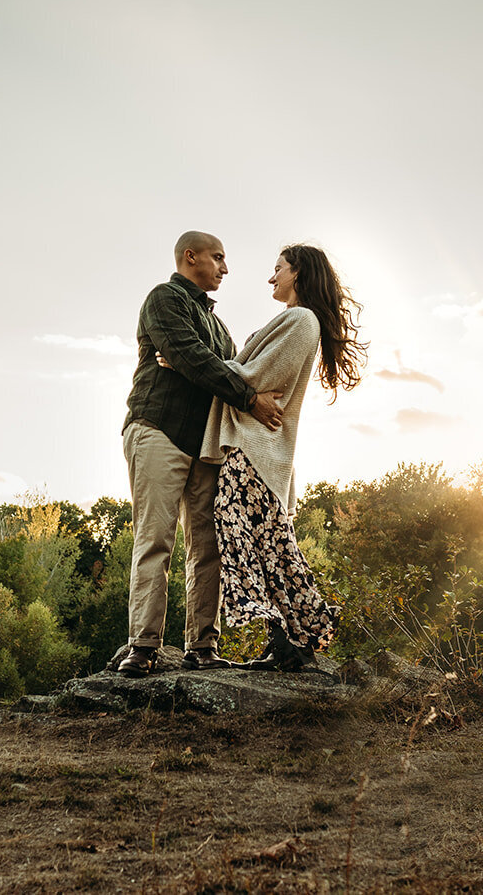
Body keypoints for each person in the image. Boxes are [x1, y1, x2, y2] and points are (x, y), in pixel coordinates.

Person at [117, 231, 285, 678]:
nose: (225, 269)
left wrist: (219, 372)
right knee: (156, 539)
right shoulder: (163, 299)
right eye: (218, 258)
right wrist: (247, 397)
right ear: (190, 257)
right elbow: (190, 357)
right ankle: (144, 645)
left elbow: (229, 365)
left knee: (207, 546)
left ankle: (202, 646)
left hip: (206, 446)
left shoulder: (219, 325)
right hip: (158, 429)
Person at [199, 243, 366, 671]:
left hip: (256, 449)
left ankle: (290, 636)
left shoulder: (301, 319)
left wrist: (190, 366)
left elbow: (255, 378)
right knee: (269, 545)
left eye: (278, 269)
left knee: (246, 539)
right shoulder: (298, 319)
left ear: (298, 273)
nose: (271, 277)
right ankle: (292, 641)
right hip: (261, 452)